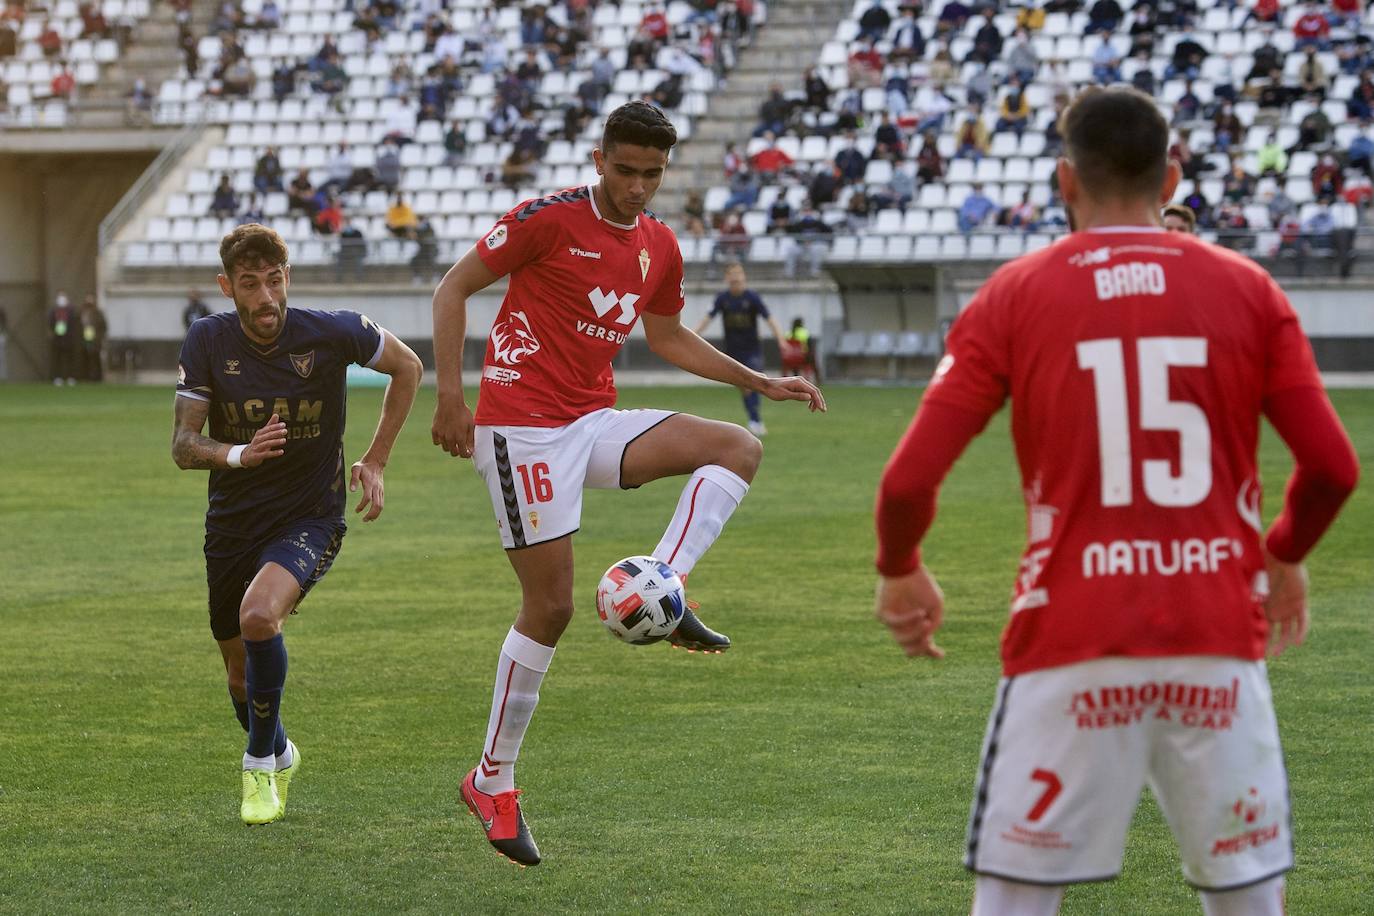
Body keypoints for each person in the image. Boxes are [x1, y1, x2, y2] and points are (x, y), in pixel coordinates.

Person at [873, 87, 1359, 916]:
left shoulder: (1015, 294)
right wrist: (1282, 553)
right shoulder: (1249, 289)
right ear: (1171, 177)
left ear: (1066, 182)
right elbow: (1332, 468)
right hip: (1215, 639)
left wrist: (901, 569)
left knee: (1015, 903)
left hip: (1070, 638)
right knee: (1248, 905)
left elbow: (907, 482)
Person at [430, 101, 826, 867]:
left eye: (653, 174)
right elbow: (454, 291)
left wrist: (758, 380)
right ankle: (492, 779)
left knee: (736, 447)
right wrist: (452, 396)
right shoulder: (546, 219)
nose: (639, 187)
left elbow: (668, 335)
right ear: (600, 157)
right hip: (519, 425)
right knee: (550, 607)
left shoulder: (659, 245)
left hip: (590, 419)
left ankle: (666, 588)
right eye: (626, 170)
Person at [172, 223, 423, 826]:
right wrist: (239, 454)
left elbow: (409, 367)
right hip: (232, 522)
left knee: (259, 617)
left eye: (275, 280)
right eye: (250, 284)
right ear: (226, 286)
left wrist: (377, 458)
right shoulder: (206, 340)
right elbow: (183, 445)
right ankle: (279, 746)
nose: (265, 297)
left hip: (312, 515)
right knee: (238, 674)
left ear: (289, 278)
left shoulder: (335, 331)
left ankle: (258, 767)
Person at [694, 263, 786, 436]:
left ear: (744, 276)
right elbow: (708, 318)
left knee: (753, 382)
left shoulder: (752, 298)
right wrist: (693, 335)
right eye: (732, 274)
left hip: (752, 350)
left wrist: (780, 339)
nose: (736, 278)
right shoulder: (723, 298)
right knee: (745, 387)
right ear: (726, 278)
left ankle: (755, 421)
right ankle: (754, 419)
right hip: (732, 350)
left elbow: (769, 318)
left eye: (739, 274)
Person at [48, 290, 78, 385]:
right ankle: (57, 377)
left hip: (68, 339)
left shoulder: (71, 311)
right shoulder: (53, 311)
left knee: (70, 359)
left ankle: (70, 377)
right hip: (57, 339)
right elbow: (50, 324)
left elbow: (74, 324)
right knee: (57, 359)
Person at [79, 293, 107, 381]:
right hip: (85, 339)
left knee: (95, 359)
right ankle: (86, 377)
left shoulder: (98, 313)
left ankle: (97, 377)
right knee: (85, 358)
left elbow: (103, 326)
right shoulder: (82, 312)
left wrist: (100, 337)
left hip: (96, 339)